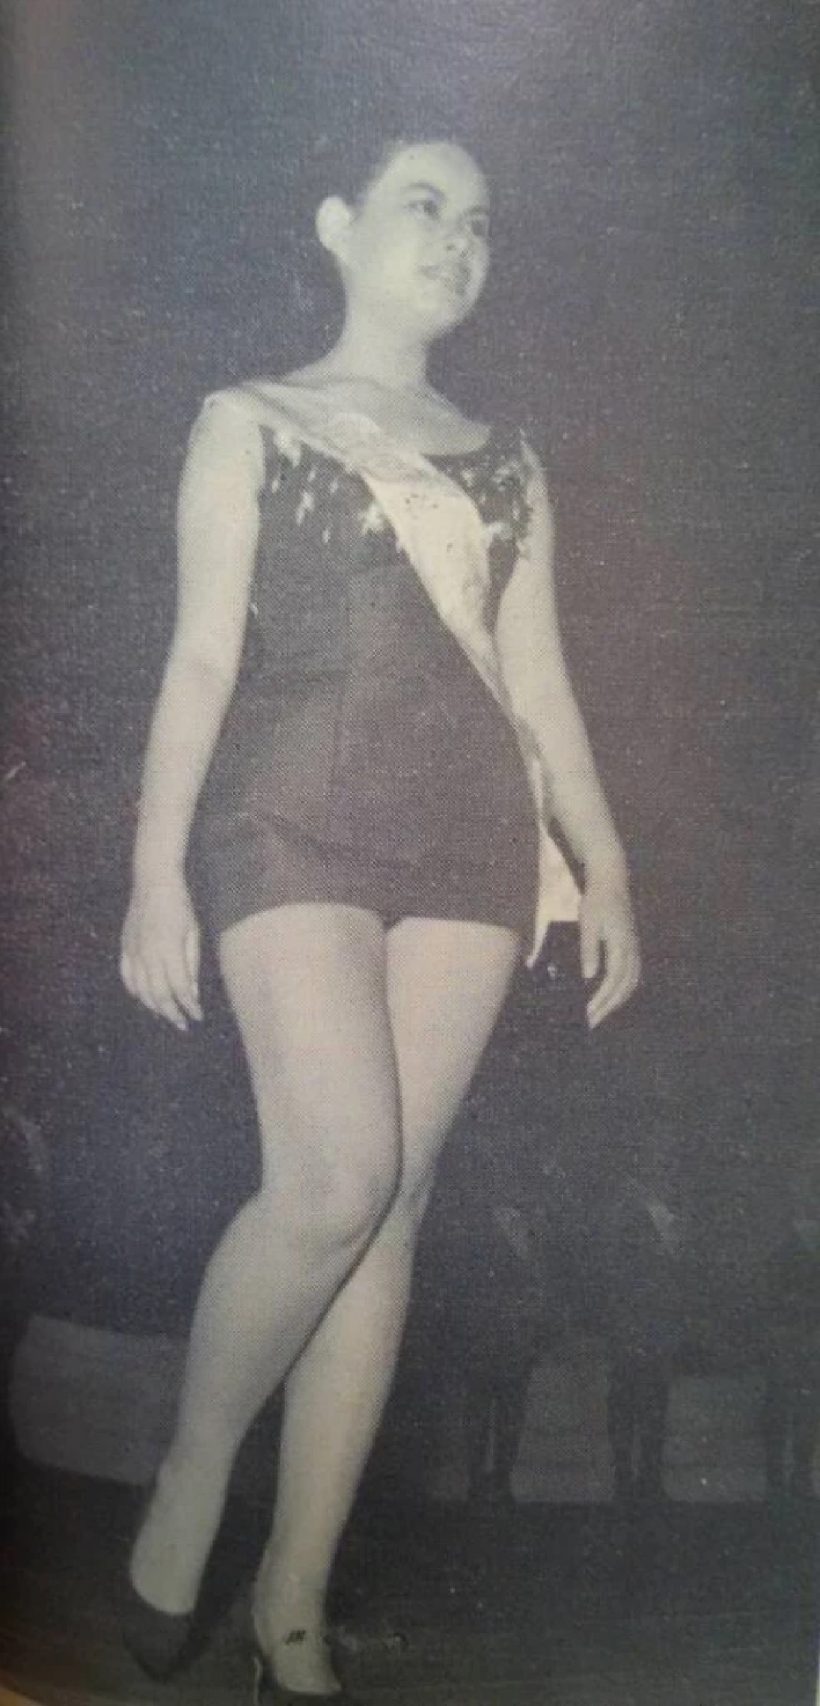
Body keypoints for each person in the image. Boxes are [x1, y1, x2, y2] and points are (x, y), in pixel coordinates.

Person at [119, 134, 641, 1702]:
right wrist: (153, 871)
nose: (459, 238)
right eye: (425, 204)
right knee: (336, 1173)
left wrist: (609, 870)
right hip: (287, 813)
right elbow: (200, 658)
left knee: (395, 1206)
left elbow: (541, 685)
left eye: (481, 221)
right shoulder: (249, 419)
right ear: (338, 225)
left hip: (472, 840)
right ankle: (197, 1467)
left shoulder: (509, 460)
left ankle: (295, 1594)